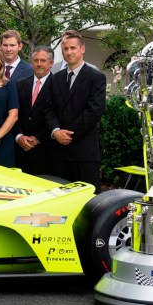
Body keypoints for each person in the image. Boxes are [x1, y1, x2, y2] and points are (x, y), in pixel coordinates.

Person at [44, 30, 106, 191]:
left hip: (83, 152)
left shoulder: (95, 77)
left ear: (82, 49)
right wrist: (56, 131)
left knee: (89, 203)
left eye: (73, 48)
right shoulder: (55, 78)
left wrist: (69, 134)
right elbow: (48, 109)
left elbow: (94, 111)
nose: (69, 52)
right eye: (66, 49)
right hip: (57, 153)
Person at [15, 46, 54, 175]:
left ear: (51, 64)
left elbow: (59, 115)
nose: (39, 64)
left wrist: (38, 138)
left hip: (46, 151)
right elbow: (14, 113)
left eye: (43, 61)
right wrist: (19, 136)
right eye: (36, 60)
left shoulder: (58, 85)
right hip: (20, 151)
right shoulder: (20, 84)